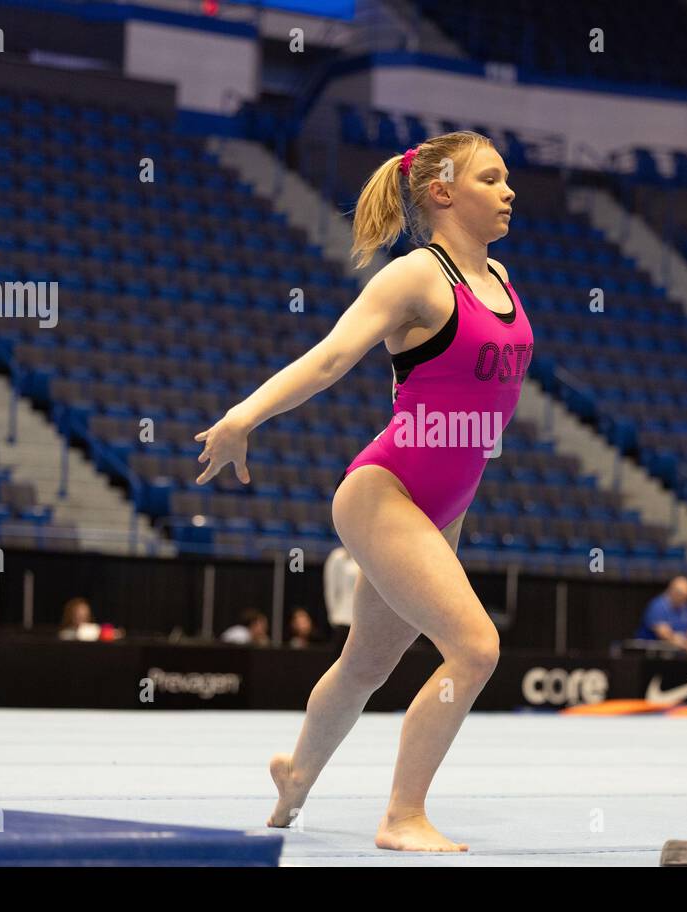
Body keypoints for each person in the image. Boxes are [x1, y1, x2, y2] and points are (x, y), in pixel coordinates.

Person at [195, 131, 530, 851]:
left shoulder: (499, 276)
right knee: (474, 648)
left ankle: (295, 772)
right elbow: (330, 359)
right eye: (492, 179)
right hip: (387, 492)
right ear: (442, 192)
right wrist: (243, 416)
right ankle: (402, 816)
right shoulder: (415, 277)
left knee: (364, 665)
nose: (510, 192)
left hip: (446, 507)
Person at [636, 576, 687, 659]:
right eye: (683, 596)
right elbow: (664, 634)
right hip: (652, 655)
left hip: (677, 653)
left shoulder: (684, 607)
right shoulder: (658, 606)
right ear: (672, 591)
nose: (685, 600)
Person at [323, 544, 360, 647]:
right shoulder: (337, 556)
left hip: (361, 620)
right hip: (342, 619)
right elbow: (331, 589)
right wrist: (333, 615)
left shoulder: (366, 555)